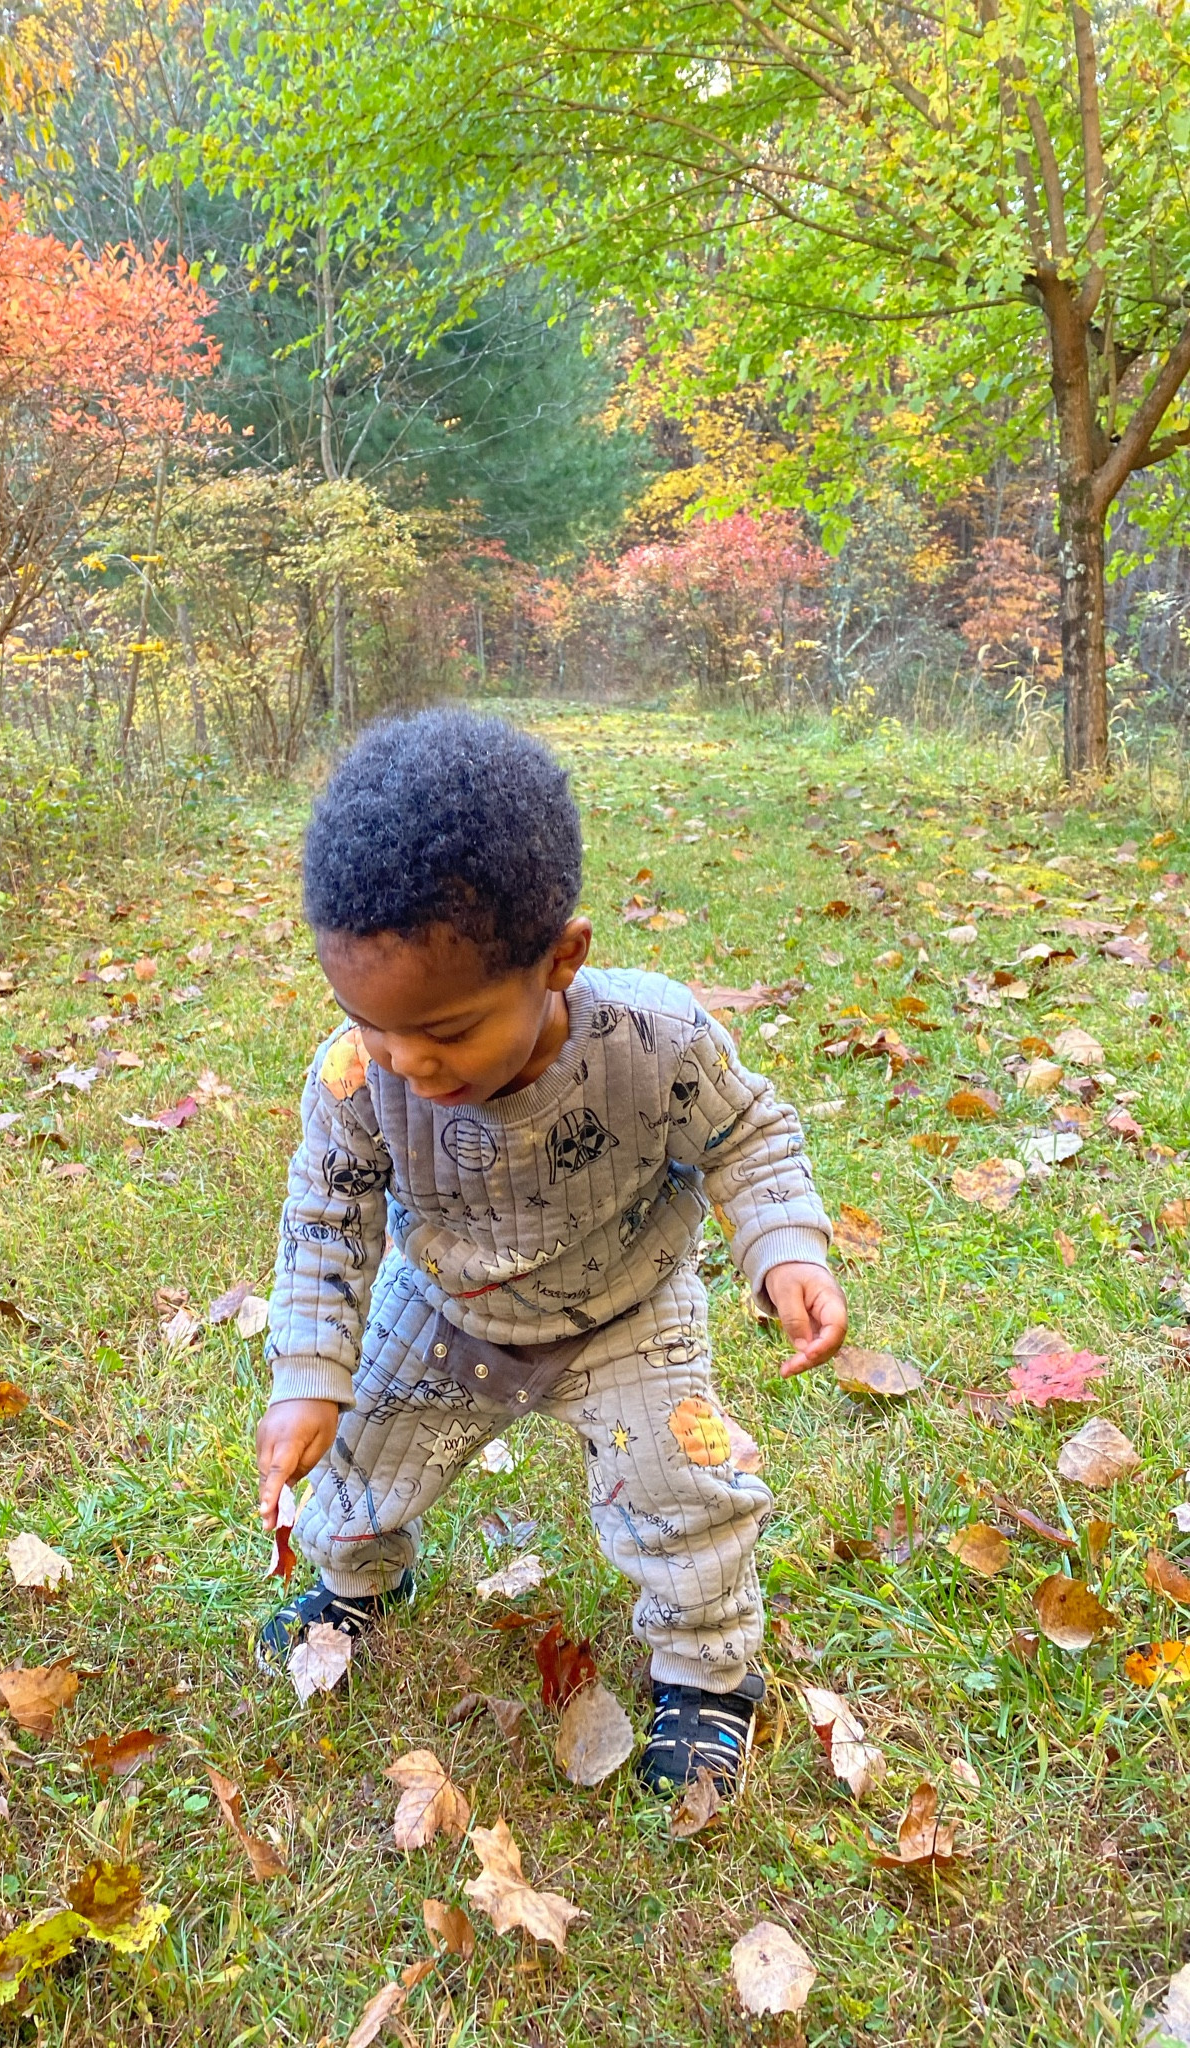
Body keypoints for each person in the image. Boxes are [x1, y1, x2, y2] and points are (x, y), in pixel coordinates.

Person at [254, 709, 846, 1794]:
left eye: (448, 1030)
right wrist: (307, 1373)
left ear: (560, 959)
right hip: (447, 1309)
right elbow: (326, 1216)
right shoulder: (355, 1074)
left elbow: (749, 1135)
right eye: (372, 1021)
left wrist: (783, 1246)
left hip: (626, 1309)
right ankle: (357, 1585)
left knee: (683, 1487)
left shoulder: (657, 1041)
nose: (406, 1060)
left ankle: (706, 1673)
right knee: (356, 1458)